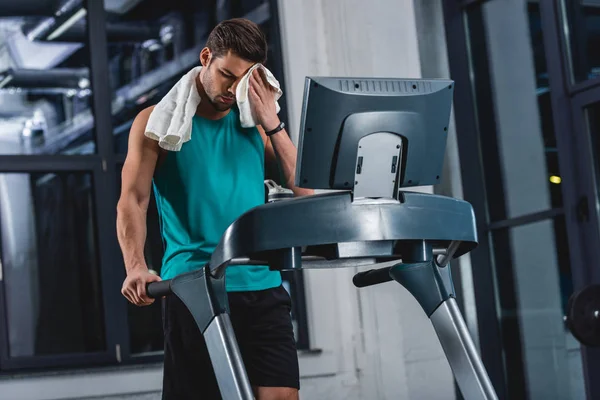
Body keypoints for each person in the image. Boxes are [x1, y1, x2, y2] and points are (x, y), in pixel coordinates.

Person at [116, 18, 312, 400]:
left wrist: (272, 122)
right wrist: (135, 265)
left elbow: (306, 192)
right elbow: (133, 199)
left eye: (244, 79)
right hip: (195, 288)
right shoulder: (155, 123)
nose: (233, 89)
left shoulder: (254, 124)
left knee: (282, 396)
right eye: (226, 74)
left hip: (261, 283)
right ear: (206, 58)